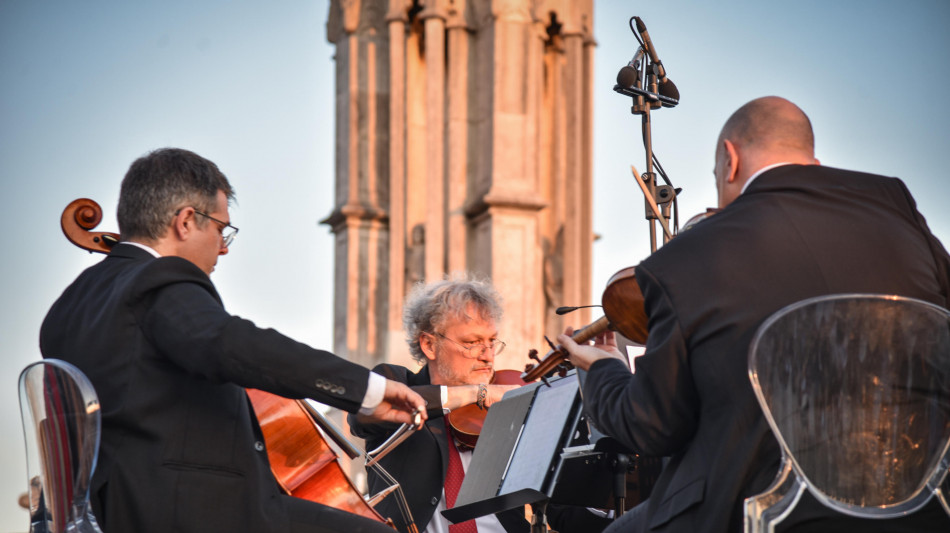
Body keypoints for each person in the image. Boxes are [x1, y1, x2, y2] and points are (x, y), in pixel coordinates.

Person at [558, 96, 950, 532]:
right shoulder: (900, 215)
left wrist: (605, 369)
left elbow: (652, 428)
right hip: (917, 506)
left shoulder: (688, 257)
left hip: (755, 512)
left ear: (730, 161)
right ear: (813, 163)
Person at [39, 148, 428, 533]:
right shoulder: (159, 281)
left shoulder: (69, 305)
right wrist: (368, 390)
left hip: (114, 511)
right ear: (185, 222)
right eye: (220, 229)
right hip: (192, 510)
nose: (223, 247)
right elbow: (233, 344)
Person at [348, 278, 527, 533]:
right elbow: (362, 416)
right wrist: (478, 393)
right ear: (430, 345)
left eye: (491, 342)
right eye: (472, 343)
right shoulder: (396, 383)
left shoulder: (504, 401)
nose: (488, 356)